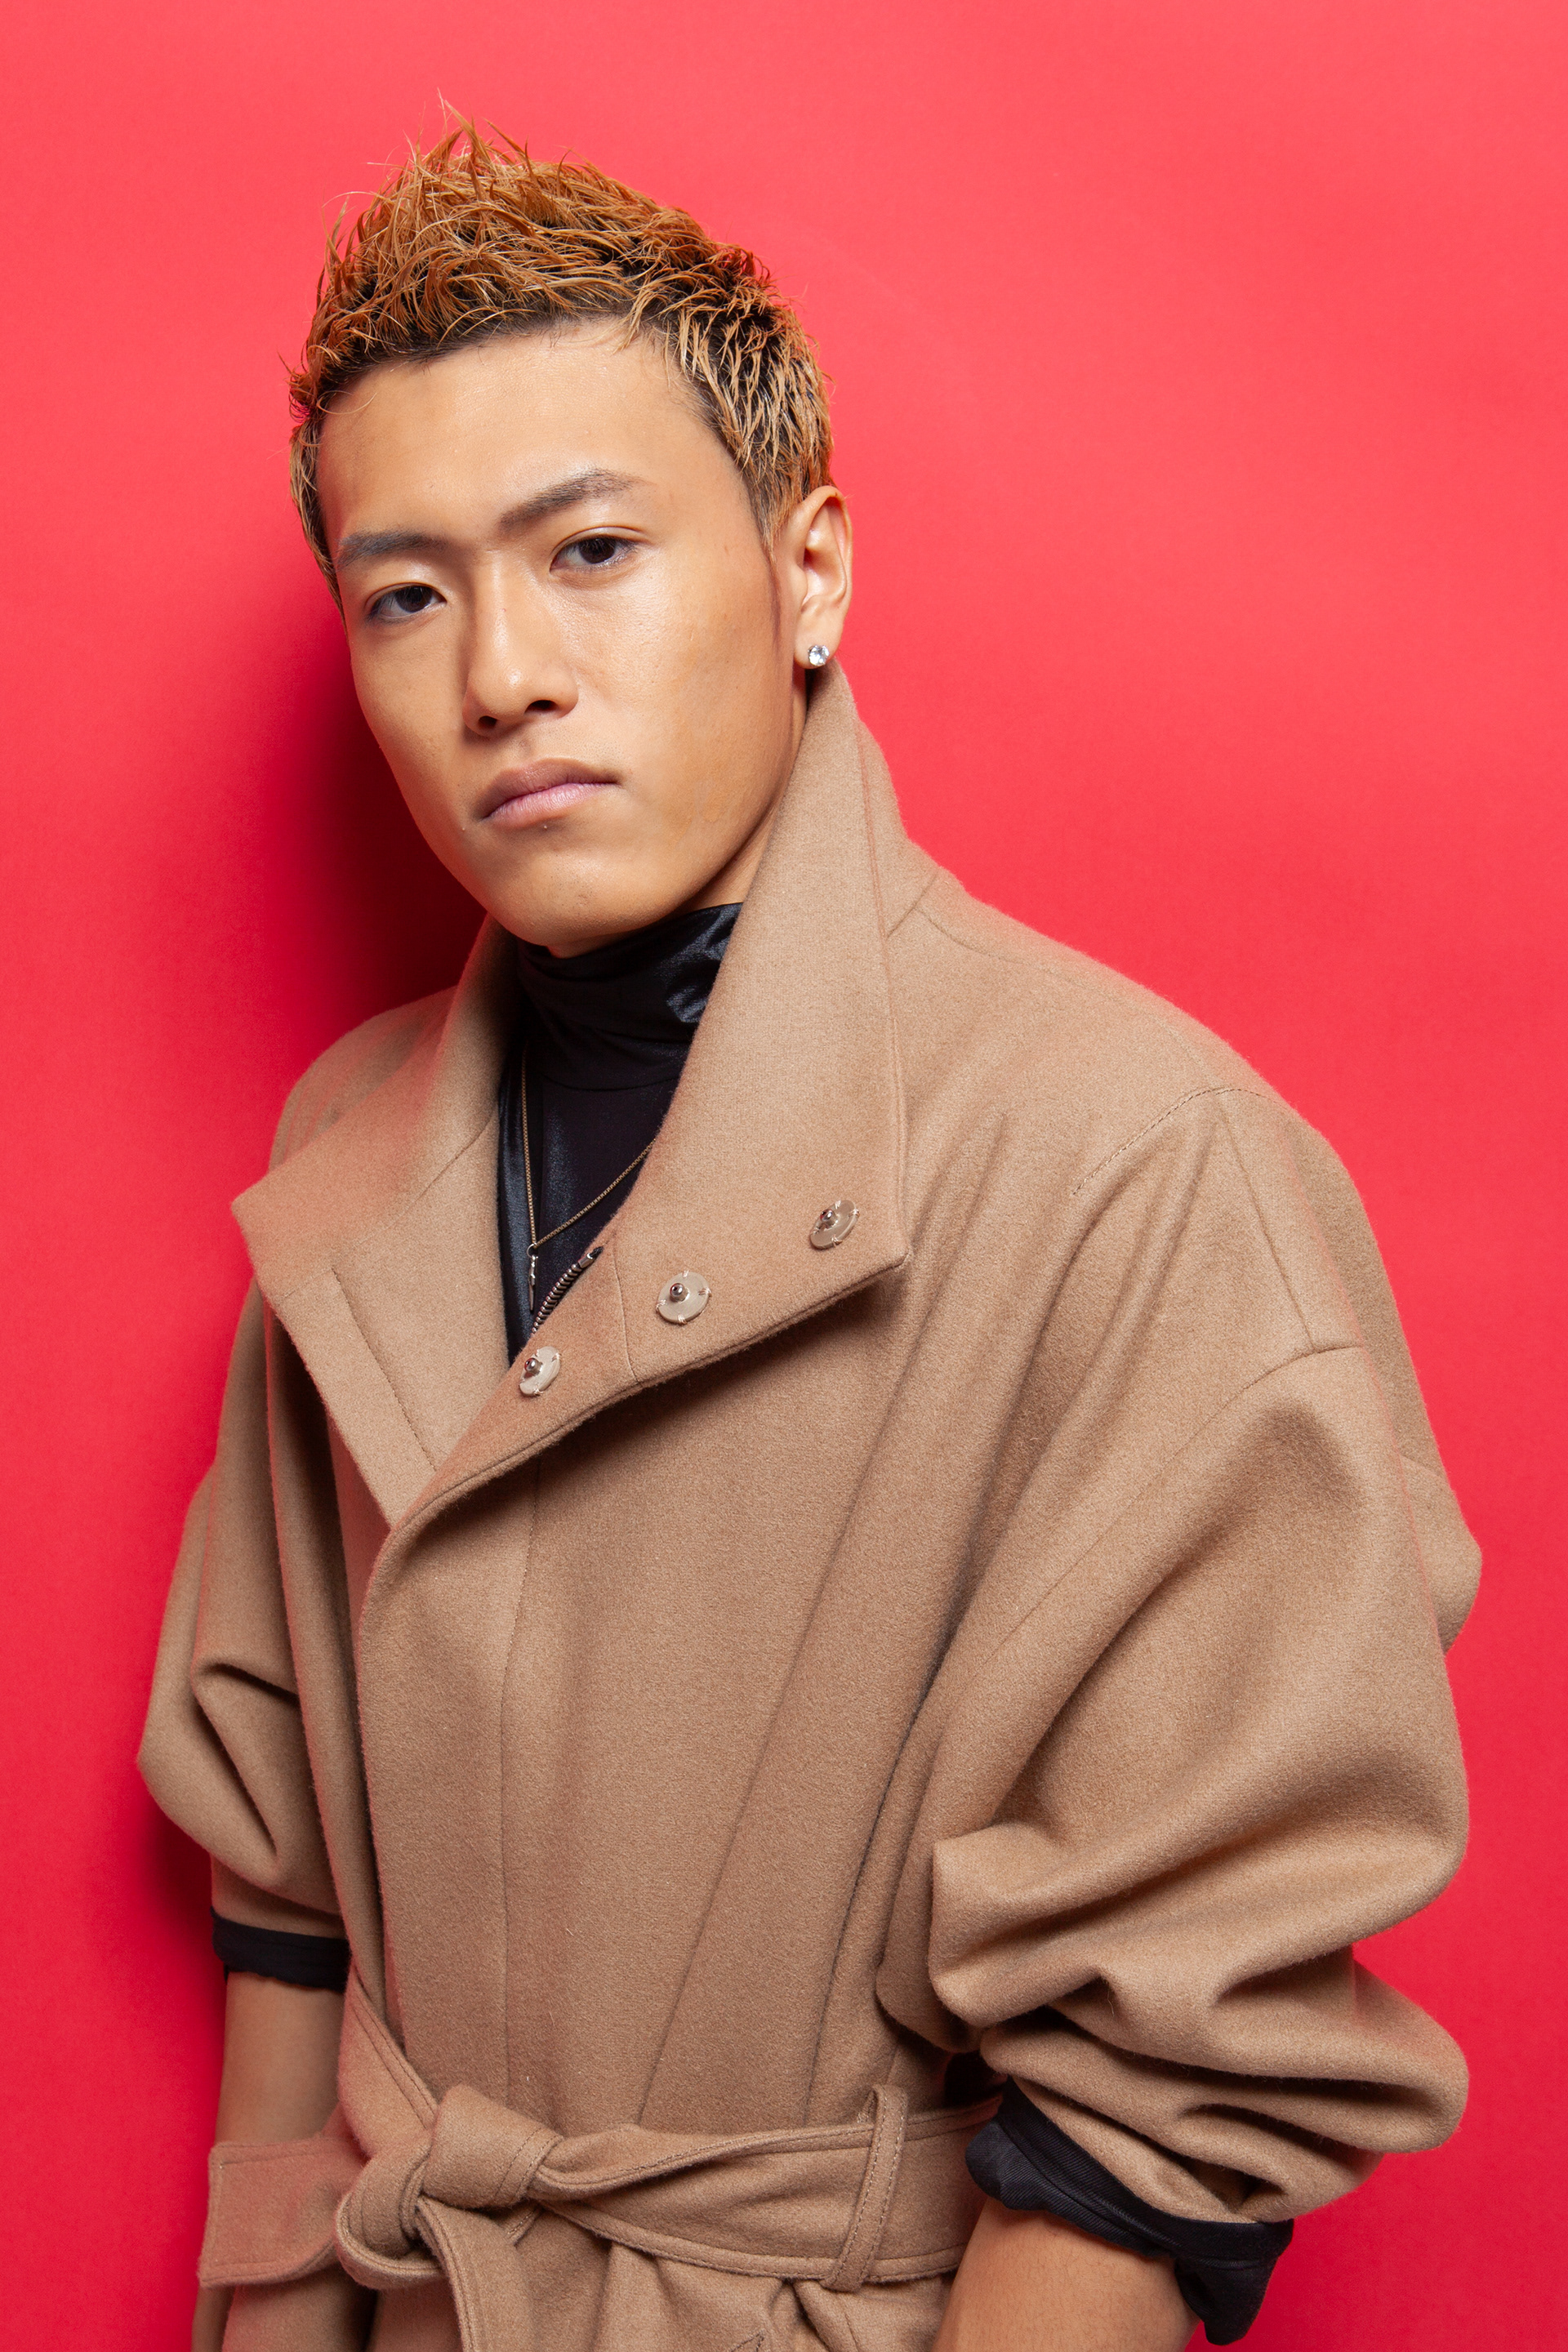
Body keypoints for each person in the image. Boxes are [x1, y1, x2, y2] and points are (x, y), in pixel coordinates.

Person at [140, 127, 1478, 2352]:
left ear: (811, 571)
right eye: (406, 595)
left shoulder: (1144, 1166)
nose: (501, 675)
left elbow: (1159, 2115)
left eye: (590, 549)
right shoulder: (348, 1152)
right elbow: (281, 1881)